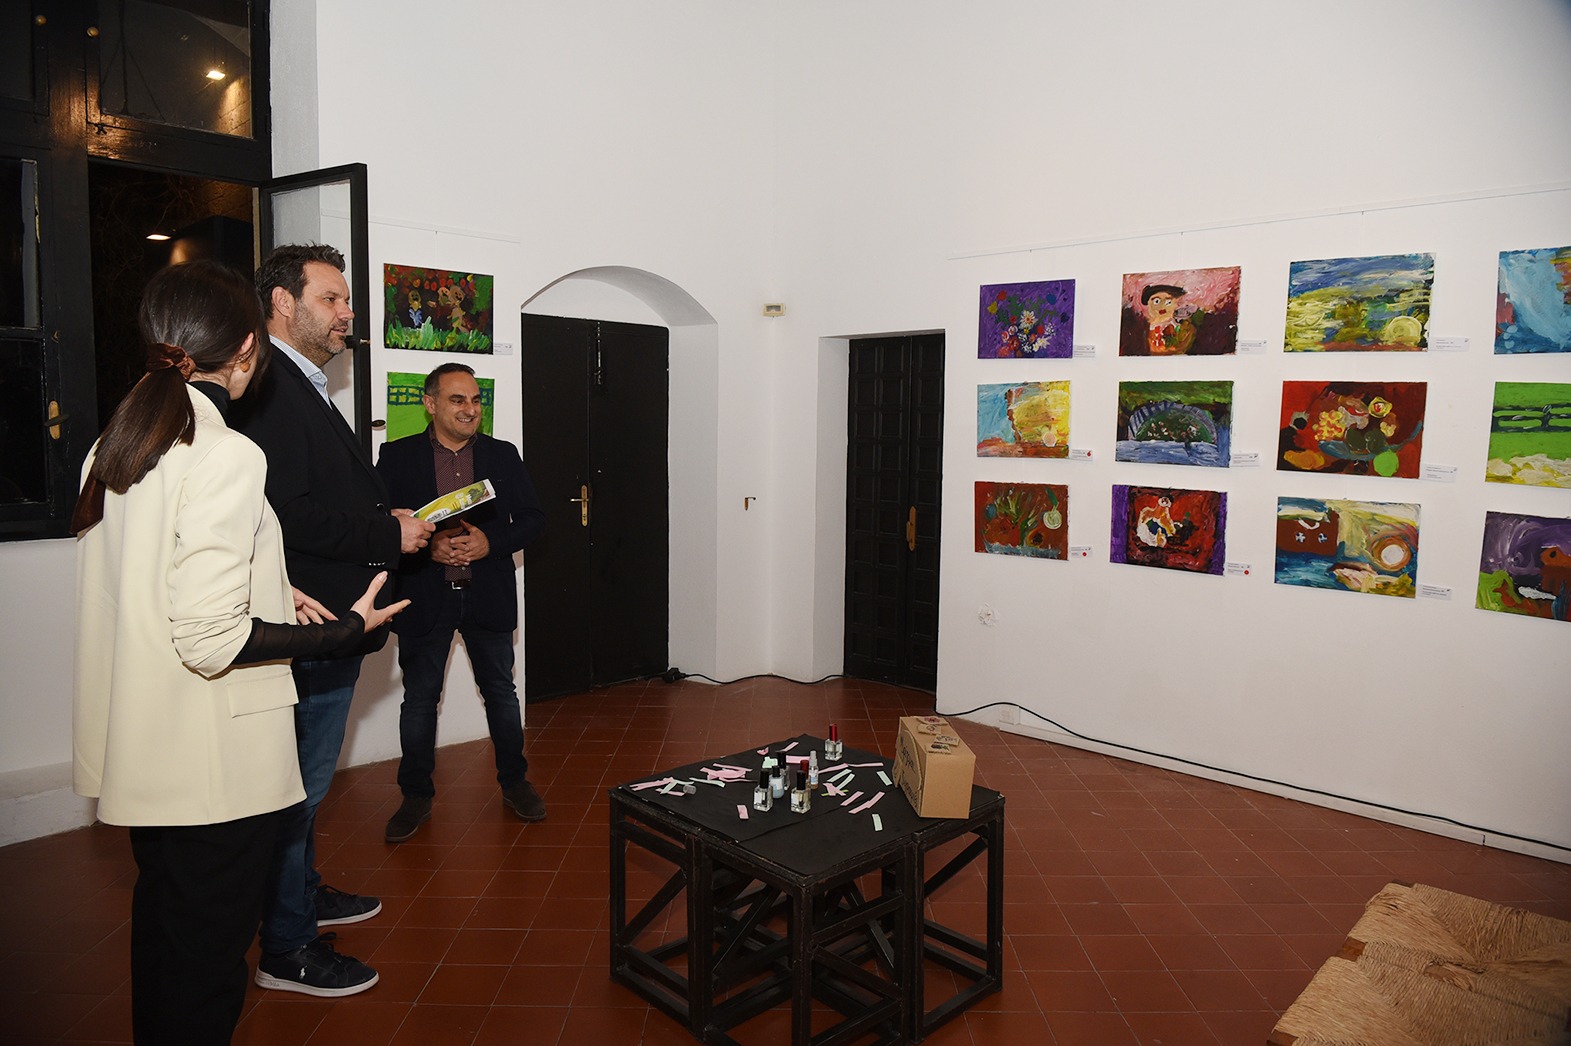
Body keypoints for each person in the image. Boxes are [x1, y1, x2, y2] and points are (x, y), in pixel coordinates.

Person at [70, 260, 408, 1044]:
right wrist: (344, 631)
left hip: (146, 740)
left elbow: (150, 576)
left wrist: (267, 584)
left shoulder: (120, 442)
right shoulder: (225, 453)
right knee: (206, 969)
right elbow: (210, 638)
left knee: (167, 939)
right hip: (210, 761)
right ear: (249, 347)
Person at [232, 244, 434, 996]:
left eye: (347, 300)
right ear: (282, 304)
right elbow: (286, 513)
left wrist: (386, 516)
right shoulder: (273, 389)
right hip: (311, 623)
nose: (348, 313)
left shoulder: (298, 384)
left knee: (302, 789)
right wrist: (387, 533)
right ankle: (287, 946)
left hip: (326, 620)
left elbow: (319, 497)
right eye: (332, 299)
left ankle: (300, 893)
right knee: (296, 792)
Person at [377, 363, 548, 842]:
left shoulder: (502, 455)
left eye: (476, 400)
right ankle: (415, 796)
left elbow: (534, 518)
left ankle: (515, 783)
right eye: (458, 400)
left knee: (502, 695)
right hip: (424, 598)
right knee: (419, 701)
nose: (470, 409)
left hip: (486, 596)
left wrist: (490, 543)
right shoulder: (396, 456)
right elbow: (378, 524)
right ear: (430, 403)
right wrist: (425, 547)